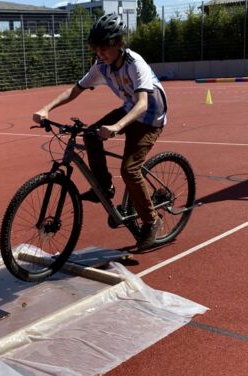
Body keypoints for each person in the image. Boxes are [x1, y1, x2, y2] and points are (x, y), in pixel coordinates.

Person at [33, 13, 168, 251]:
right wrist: (46, 108)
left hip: (150, 117)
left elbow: (142, 104)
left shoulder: (135, 63)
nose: (99, 53)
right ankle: (104, 187)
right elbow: (75, 90)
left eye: (104, 48)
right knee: (90, 134)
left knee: (130, 169)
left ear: (118, 43)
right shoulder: (101, 66)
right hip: (129, 109)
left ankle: (151, 221)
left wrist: (117, 127)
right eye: (95, 49)